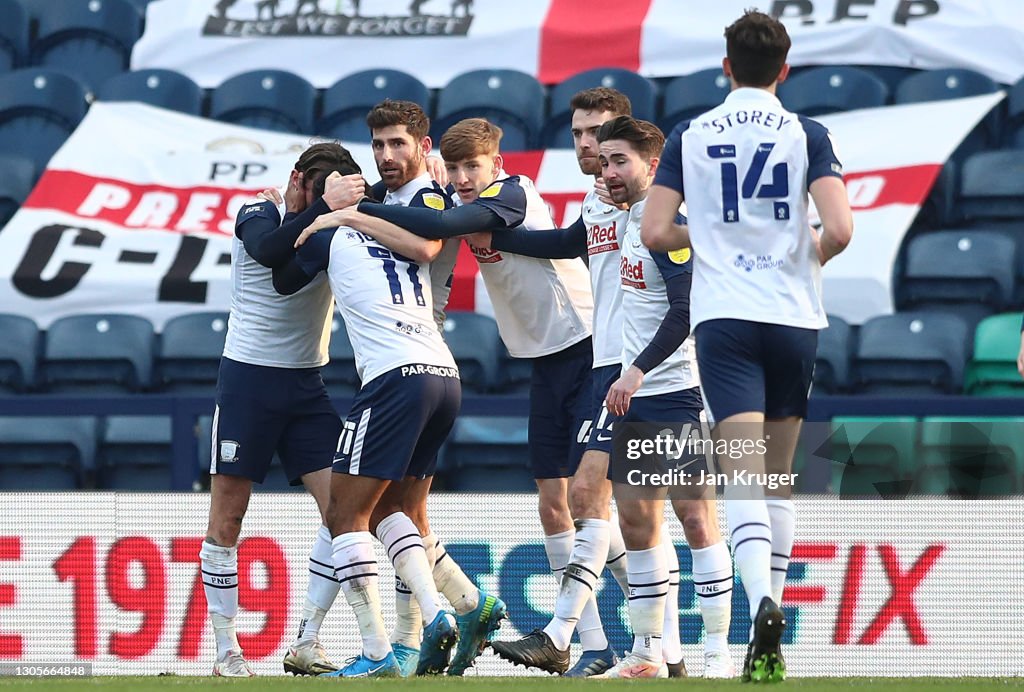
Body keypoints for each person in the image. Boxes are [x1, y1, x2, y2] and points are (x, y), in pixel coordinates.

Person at [343, 117, 602, 671]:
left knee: (587, 500)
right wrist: (432, 180)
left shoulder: (509, 194)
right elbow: (431, 217)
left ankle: (618, 641)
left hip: (585, 343)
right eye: (455, 167)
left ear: (497, 165)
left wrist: (356, 210)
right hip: (545, 359)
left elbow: (448, 221)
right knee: (554, 501)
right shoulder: (466, 196)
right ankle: (589, 646)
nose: (463, 177)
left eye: (472, 166)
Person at [641, 9, 853, 683]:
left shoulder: (690, 133)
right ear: (784, 70)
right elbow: (842, 228)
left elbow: (653, 233)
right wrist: (808, 259)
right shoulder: (807, 132)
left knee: (741, 474)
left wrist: (705, 238)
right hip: (793, 317)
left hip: (726, 319)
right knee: (780, 475)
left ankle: (757, 604)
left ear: (725, 65)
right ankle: (776, 619)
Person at [301, 100, 506, 677]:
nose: (388, 156)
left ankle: (387, 647)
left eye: (399, 144)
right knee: (402, 514)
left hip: (399, 370)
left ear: (423, 145)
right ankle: (468, 604)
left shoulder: (425, 196)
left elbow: (427, 245)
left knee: (346, 515)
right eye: (379, 146)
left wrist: (338, 213)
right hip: (437, 371)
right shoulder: (396, 201)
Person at [473, 88, 673, 678]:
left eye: (602, 135)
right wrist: (496, 239)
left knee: (626, 505)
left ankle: (569, 635)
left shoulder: (661, 208)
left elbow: (684, 298)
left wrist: (644, 365)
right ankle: (661, 652)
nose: (588, 145)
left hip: (646, 370)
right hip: (605, 364)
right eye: (580, 134)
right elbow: (566, 243)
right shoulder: (599, 202)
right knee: (624, 516)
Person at [201, 142, 367, 677]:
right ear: (298, 181)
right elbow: (271, 254)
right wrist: (325, 208)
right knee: (228, 515)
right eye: (320, 195)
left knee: (343, 511)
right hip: (249, 381)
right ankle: (227, 649)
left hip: (306, 385)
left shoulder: (334, 226)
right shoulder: (259, 210)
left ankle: (308, 640)